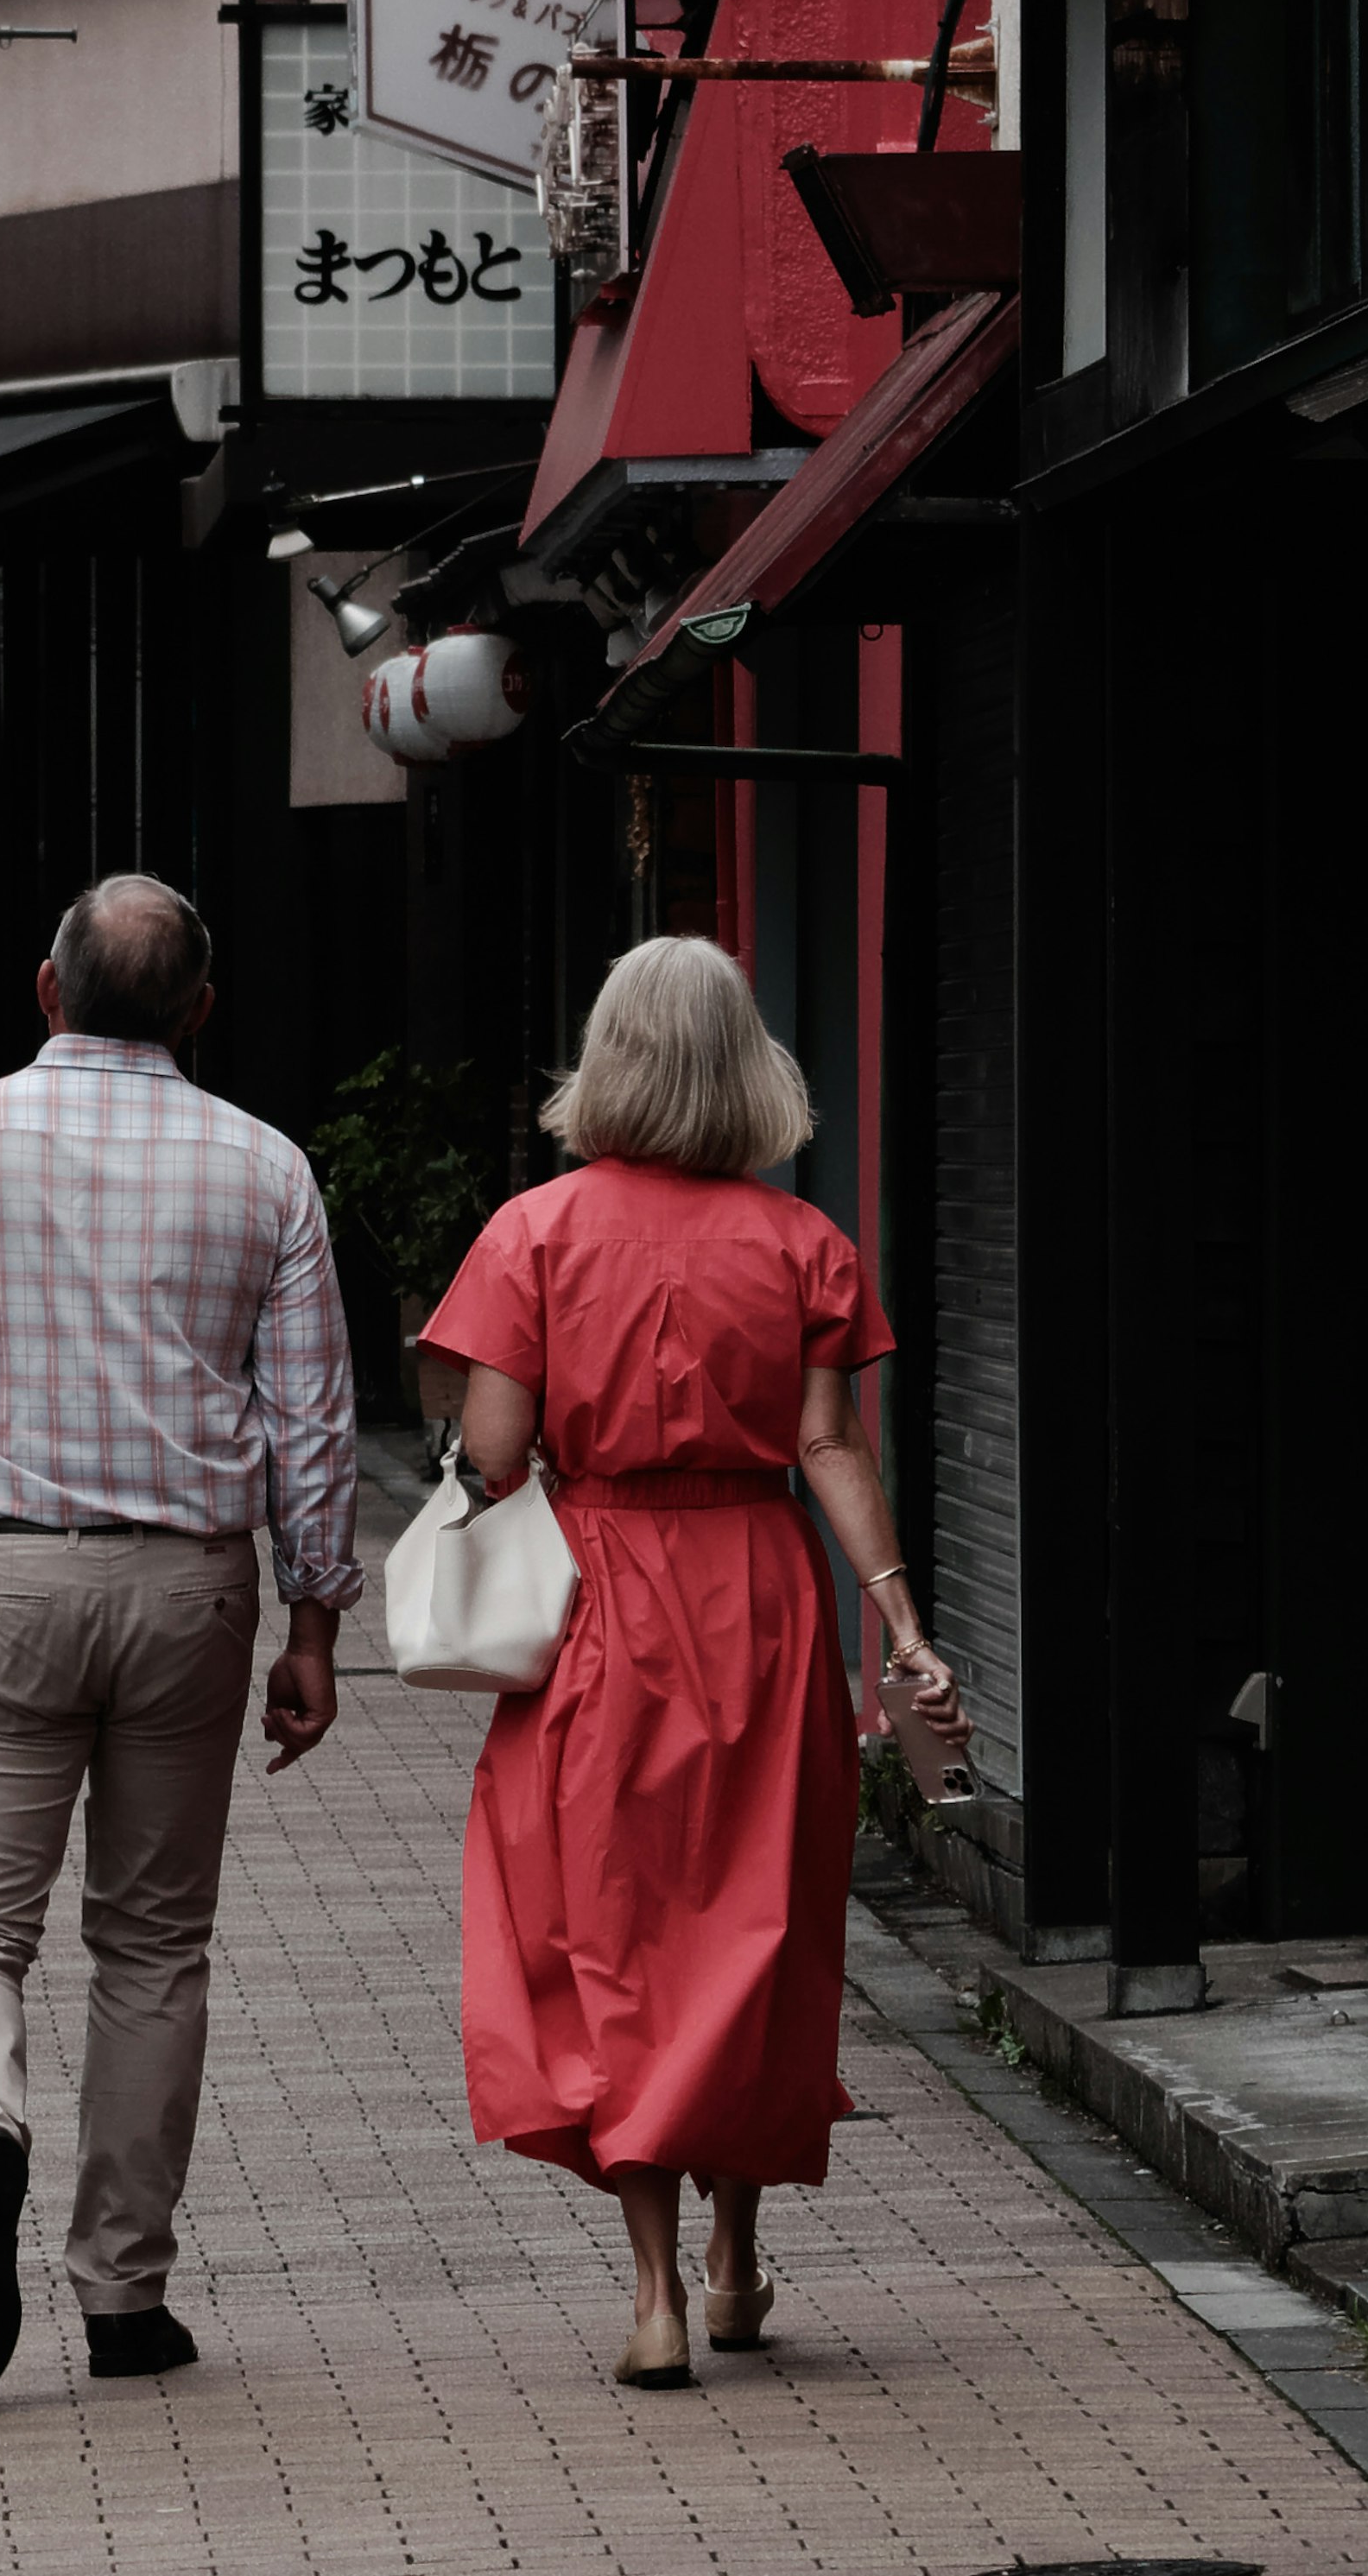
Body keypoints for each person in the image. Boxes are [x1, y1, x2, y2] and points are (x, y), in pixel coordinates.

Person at [418, 932, 968, 2391]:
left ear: (611, 1059)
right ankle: (736, 2263)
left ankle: (654, 2292)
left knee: (613, 1930)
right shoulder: (802, 1245)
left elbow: (494, 1456)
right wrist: (901, 1620)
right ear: (744, 1067)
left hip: (596, 1600)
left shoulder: (531, 1235)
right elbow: (831, 1446)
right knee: (754, 1926)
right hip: (760, 1596)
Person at [0, 871, 358, 2403]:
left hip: (1, 1582)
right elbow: (313, 1420)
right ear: (201, 1012)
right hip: (191, 1593)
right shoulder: (266, 1170)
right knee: (150, 1945)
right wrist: (316, 1614)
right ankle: (125, 2297)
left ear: (47, 989)